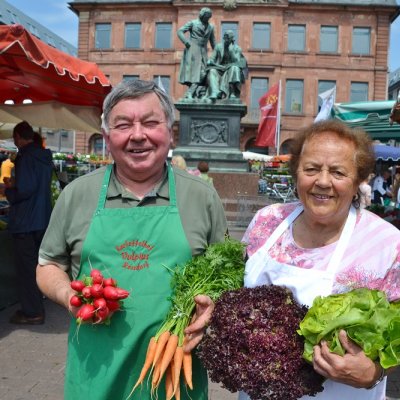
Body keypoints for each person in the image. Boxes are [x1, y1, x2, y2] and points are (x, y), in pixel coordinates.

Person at [36, 79, 228, 400]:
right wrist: (69, 295)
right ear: (108, 137)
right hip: (95, 375)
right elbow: (48, 264)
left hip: (175, 378)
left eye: (150, 123)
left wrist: (213, 306)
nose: (138, 135)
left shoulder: (202, 197)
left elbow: (228, 275)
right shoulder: (77, 195)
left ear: (169, 132)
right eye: (123, 125)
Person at [240, 120, 400, 400]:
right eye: (311, 169)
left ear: (358, 181)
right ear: (296, 173)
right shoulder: (267, 221)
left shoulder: (386, 242)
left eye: (338, 172)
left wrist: (374, 372)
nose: (322, 182)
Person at [5, 121, 53, 325]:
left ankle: (32, 312)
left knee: (26, 269)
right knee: (36, 265)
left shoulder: (26, 157)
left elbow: (25, 189)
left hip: (25, 220)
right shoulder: (43, 157)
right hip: (41, 219)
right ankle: (37, 304)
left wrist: (8, 190)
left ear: (18, 137)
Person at [177, 7, 216, 100]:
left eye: (208, 18)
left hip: (203, 51)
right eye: (206, 17)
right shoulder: (193, 23)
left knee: (204, 72)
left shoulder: (210, 27)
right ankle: (192, 93)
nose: (207, 19)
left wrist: (219, 52)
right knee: (194, 72)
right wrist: (186, 42)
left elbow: (213, 42)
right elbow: (180, 31)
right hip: (193, 49)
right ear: (202, 16)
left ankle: (191, 93)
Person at [206, 30, 247, 101]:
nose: (225, 40)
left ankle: (232, 92)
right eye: (224, 38)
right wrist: (210, 61)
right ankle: (215, 92)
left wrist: (231, 50)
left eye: (227, 38)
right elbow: (212, 58)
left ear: (232, 39)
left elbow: (236, 61)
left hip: (230, 69)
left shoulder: (237, 48)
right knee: (212, 71)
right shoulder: (218, 47)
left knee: (234, 68)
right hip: (219, 68)